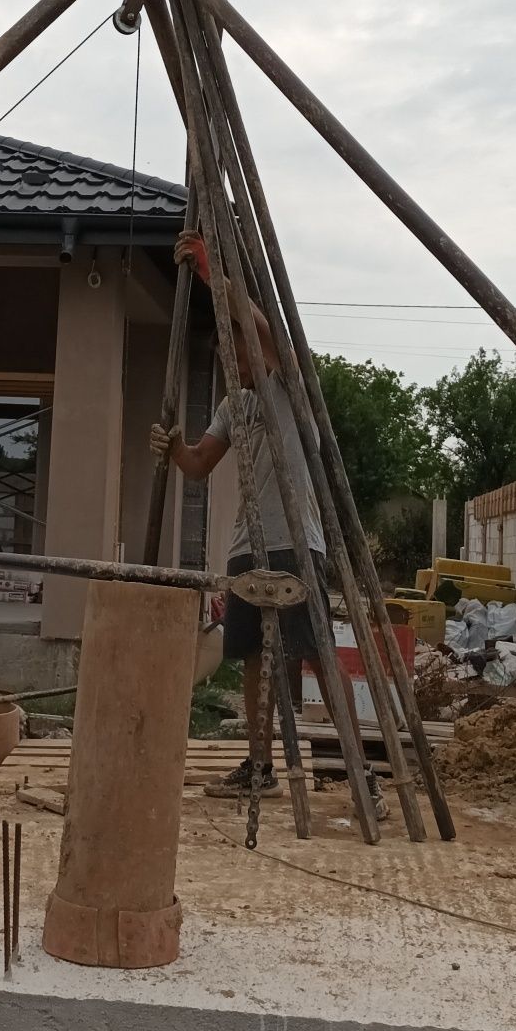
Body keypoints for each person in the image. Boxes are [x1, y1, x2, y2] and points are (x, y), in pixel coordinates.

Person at [150, 231, 325, 798]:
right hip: (246, 547)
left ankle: (357, 767)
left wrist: (211, 274)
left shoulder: (285, 384)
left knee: (312, 655)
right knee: (250, 656)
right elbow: (199, 463)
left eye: (239, 349)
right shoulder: (234, 404)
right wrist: (172, 448)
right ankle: (259, 766)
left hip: (293, 541)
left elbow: (260, 326)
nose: (234, 359)